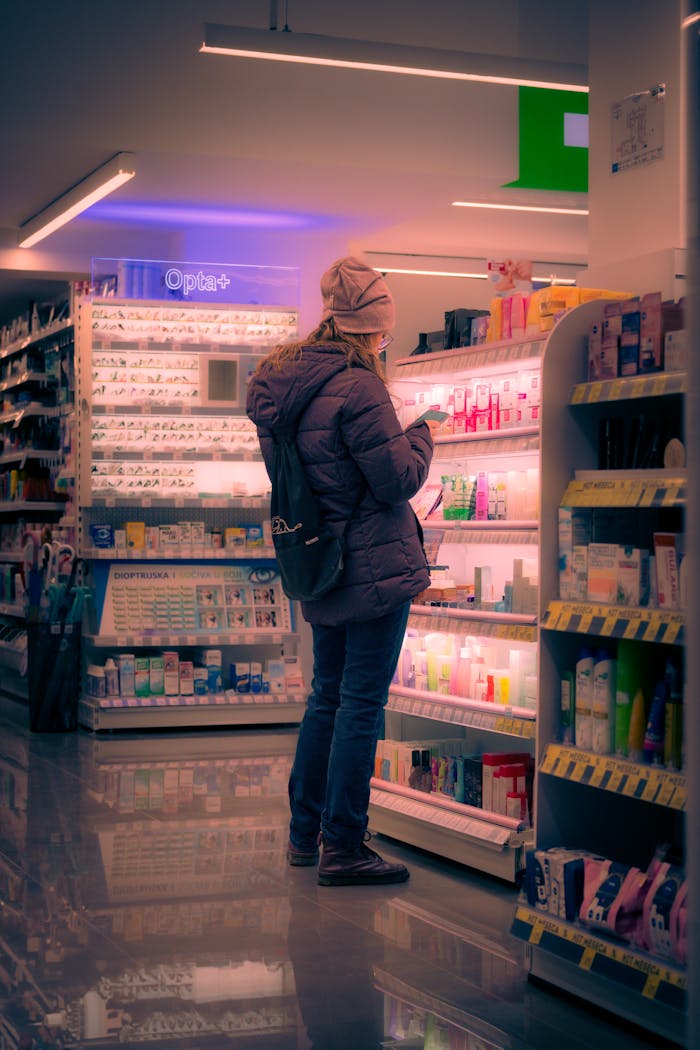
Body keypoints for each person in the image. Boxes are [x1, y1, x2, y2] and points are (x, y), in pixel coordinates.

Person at [246, 256, 436, 886]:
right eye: (383, 333)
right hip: (376, 566)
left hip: (320, 563)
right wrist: (424, 432)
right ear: (369, 330)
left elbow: (297, 480)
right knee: (360, 705)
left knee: (326, 698)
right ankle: (346, 846)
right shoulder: (360, 387)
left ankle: (306, 835)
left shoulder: (282, 386)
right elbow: (397, 480)